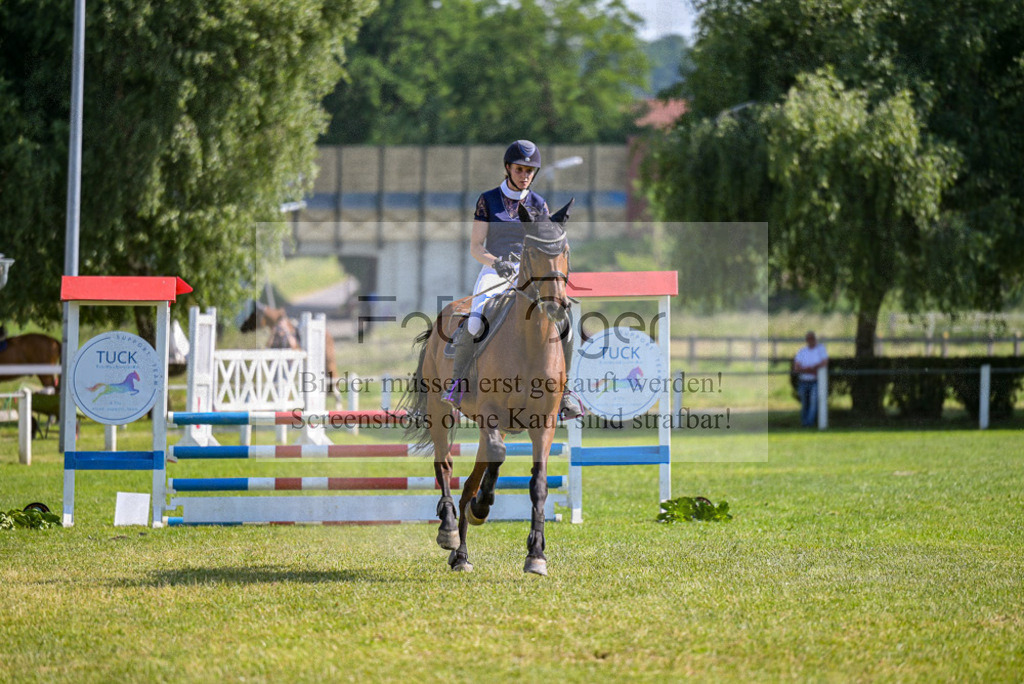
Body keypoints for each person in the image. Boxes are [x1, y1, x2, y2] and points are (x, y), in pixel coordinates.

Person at [444, 140, 582, 418]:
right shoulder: (488, 200)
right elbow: (476, 247)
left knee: (565, 324)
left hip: (530, 274)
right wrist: (497, 263)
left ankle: (565, 393)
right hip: (494, 270)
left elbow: (545, 244)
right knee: (475, 321)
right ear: (508, 168)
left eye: (529, 171)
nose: (525, 175)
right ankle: (458, 384)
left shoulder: (538, 203)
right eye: (519, 169)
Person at [793, 331, 828, 427]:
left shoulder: (821, 350)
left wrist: (807, 369)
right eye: (809, 339)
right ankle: (804, 422)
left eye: (812, 338)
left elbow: (824, 363)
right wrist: (811, 370)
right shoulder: (802, 352)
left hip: (814, 382)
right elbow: (796, 367)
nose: (811, 340)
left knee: (813, 403)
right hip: (803, 381)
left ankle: (809, 423)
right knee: (804, 403)